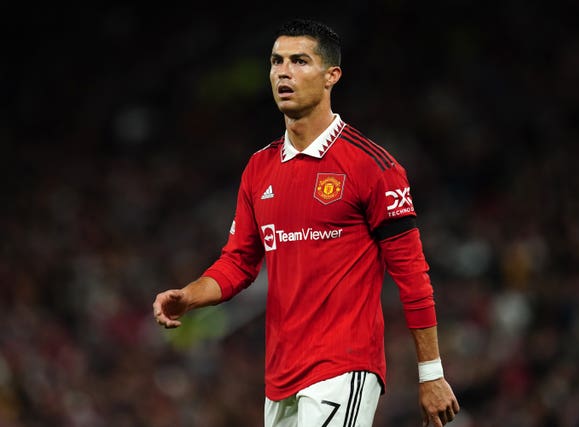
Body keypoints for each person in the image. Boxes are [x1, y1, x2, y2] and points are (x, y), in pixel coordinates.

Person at [153, 18, 459, 427]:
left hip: (344, 366)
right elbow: (239, 262)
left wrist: (431, 373)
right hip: (280, 376)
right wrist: (189, 296)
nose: (283, 71)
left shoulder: (372, 167)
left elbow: (412, 274)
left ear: (332, 75)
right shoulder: (258, 169)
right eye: (277, 61)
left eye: (299, 61)